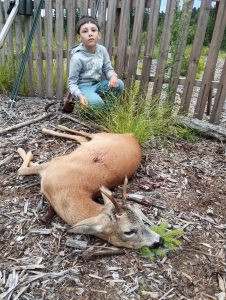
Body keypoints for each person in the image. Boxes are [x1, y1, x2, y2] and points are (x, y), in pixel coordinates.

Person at [63, 15, 124, 113]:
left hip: (97, 85)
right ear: (79, 37)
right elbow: (72, 83)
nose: (90, 34)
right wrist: (79, 94)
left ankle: (107, 112)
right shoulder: (77, 58)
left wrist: (113, 76)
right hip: (83, 88)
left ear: (99, 35)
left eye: (93, 30)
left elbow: (108, 68)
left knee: (119, 84)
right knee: (97, 103)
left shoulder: (102, 50)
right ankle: (88, 110)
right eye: (85, 31)